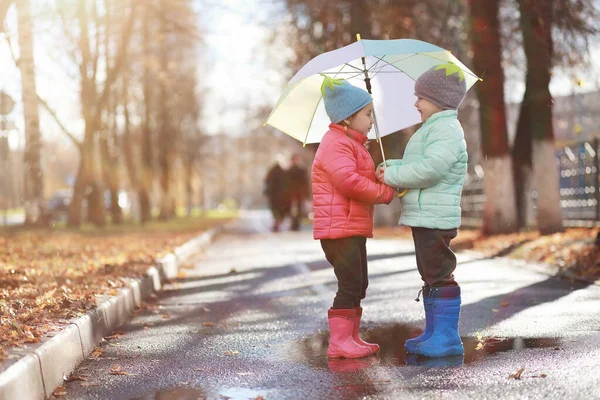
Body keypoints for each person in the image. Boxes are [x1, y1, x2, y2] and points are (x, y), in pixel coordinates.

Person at [376, 62, 468, 358]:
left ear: (438, 99)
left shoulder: (447, 130)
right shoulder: (433, 128)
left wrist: (393, 176)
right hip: (425, 216)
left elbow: (431, 170)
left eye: (421, 97)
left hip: (436, 218)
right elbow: (421, 165)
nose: (416, 103)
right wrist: (393, 166)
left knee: (440, 273)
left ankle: (447, 337)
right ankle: (434, 331)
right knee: (430, 273)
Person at [313, 76, 395, 359]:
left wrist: (381, 174)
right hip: (339, 230)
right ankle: (338, 342)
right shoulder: (335, 143)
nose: (372, 120)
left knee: (359, 284)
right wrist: (383, 192)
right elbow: (348, 181)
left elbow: (357, 176)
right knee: (349, 283)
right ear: (348, 118)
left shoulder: (353, 143)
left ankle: (350, 337)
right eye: (368, 114)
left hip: (351, 226)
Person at [264, 156, 290, 232]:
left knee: (274, 209)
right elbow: (287, 184)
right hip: (281, 195)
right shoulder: (284, 171)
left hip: (273, 194)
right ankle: (278, 221)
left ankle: (276, 221)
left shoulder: (271, 171)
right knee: (280, 209)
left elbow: (266, 181)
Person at [286, 153, 309, 231]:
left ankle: (296, 224)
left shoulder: (301, 170)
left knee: (298, 209)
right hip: (292, 193)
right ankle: (294, 224)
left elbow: (305, 183)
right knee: (292, 209)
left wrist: (306, 194)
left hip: (298, 193)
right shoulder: (289, 170)